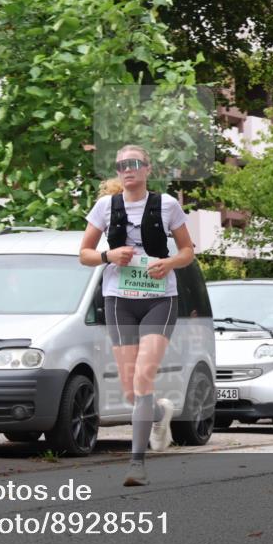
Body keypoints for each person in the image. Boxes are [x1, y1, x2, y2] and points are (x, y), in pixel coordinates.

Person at [79, 145, 196, 485]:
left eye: (134, 164)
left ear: (147, 168)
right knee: (132, 390)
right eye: (121, 165)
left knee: (144, 376)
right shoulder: (104, 206)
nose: (127, 170)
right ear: (118, 172)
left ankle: (136, 464)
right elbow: (84, 254)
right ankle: (159, 413)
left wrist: (169, 263)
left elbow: (188, 251)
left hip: (160, 298)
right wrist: (108, 256)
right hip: (119, 299)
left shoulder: (167, 205)